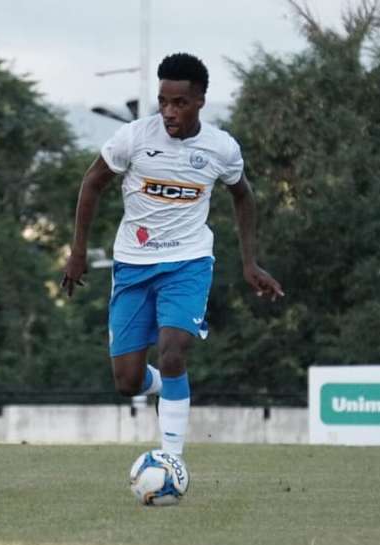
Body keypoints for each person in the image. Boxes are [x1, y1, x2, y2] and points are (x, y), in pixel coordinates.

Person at [62, 53, 284, 461]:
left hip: (188, 262)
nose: (168, 111)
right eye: (163, 101)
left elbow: (243, 195)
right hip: (132, 264)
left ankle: (172, 460)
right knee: (127, 382)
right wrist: (77, 252)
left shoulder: (221, 148)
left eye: (179, 103)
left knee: (173, 349)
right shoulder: (134, 137)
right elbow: (92, 183)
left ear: (200, 100)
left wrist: (249, 261)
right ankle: (170, 387)